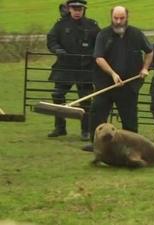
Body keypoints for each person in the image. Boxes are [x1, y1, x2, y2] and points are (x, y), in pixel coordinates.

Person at [82, 6, 153, 152]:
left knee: (129, 117)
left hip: (129, 85)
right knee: (97, 112)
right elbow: (99, 58)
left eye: (122, 18)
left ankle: (132, 145)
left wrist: (145, 68)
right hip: (105, 83)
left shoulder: (136, 34)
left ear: (127, 17)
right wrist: (113, 74)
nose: (119, 21)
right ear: (111, 17)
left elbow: (150, 51)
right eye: (116, 18)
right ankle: (96, 144)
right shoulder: (103, 35)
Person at [47, 0, 100, 141]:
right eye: (74, 9)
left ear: (84, 10)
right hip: (65, 67)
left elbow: (100, 43)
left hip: (85, 68)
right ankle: (60, 127)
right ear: (69, 9)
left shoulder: (92, 25)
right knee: (57, 95)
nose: (77, 12)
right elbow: (51, 39)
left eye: (80, 9)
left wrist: (93, 55)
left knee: (86, 100)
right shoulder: (60, 24)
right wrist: (58, 50)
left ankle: (86, 130)